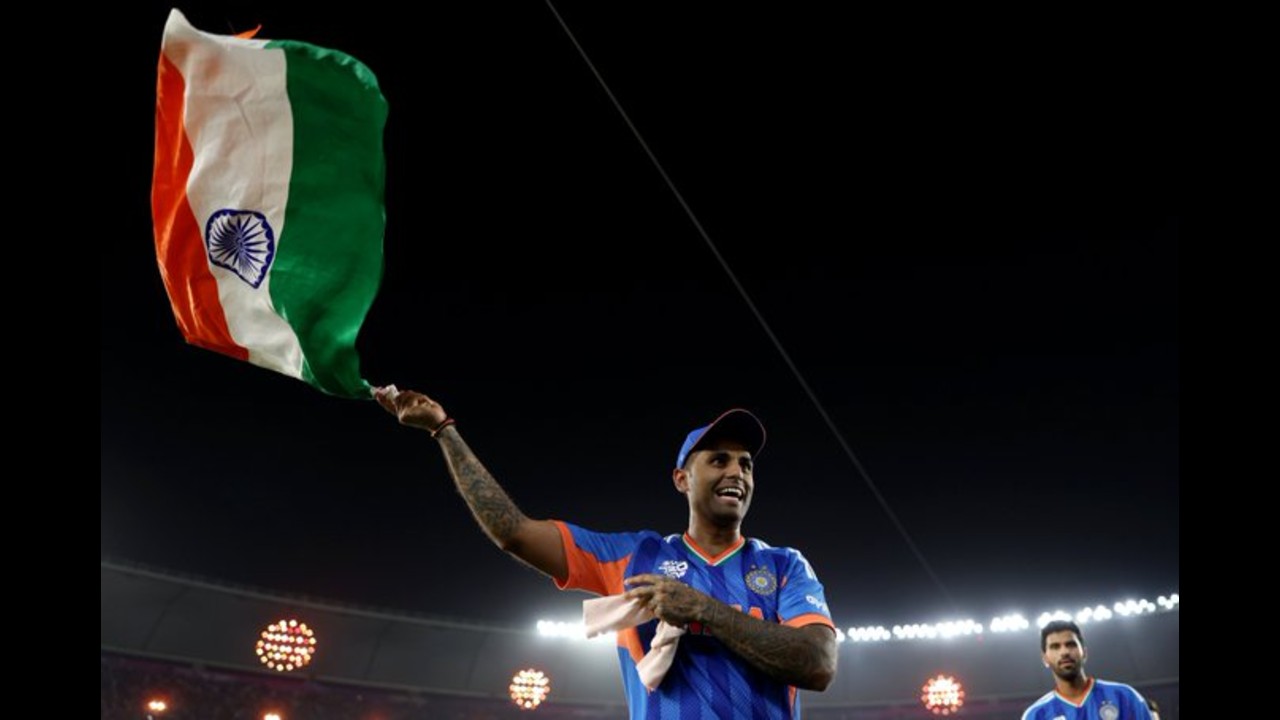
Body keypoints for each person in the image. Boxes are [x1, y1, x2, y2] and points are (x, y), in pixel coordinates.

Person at [374, 386, 837, 719]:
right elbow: (514, 533)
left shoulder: (783, 565)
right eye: (719, 460)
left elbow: (818, 664)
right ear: (682, 479)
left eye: (746, 464)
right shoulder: (635, 556)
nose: (737, 472)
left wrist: (703, 610)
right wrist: (444, 431)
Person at [1021, 619, 1152, 720]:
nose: (1064, 652)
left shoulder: (1124, 696)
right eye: (1055, 647)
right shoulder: (1036, 715)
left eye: (1071, 644)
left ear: (1084, 653)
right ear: (1045, 659)